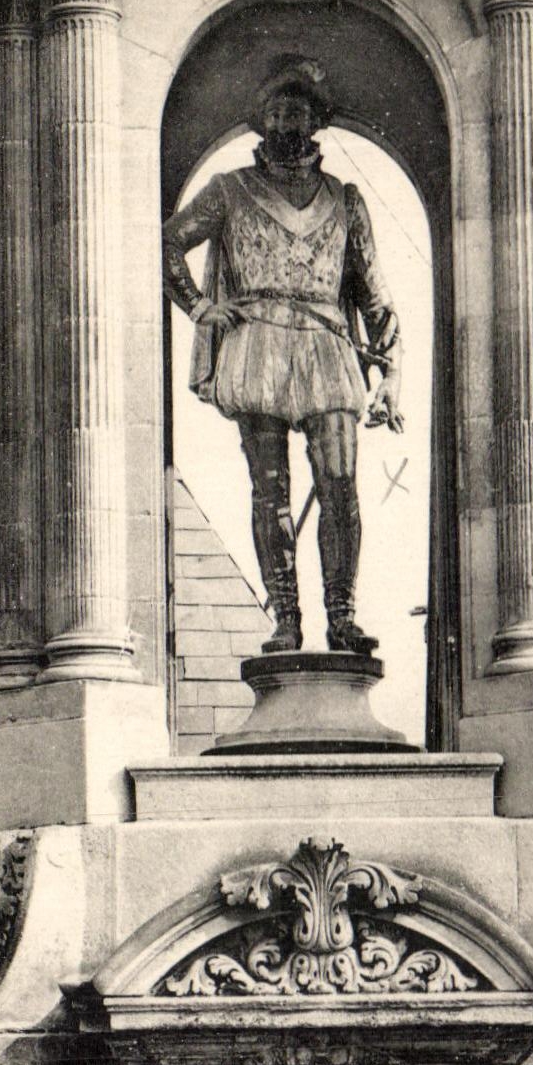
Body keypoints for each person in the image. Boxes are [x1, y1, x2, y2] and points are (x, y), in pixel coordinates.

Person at [162, 56, 402, 655]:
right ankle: (287, 620)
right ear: (260, 121)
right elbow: (166, 241)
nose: (286, 117)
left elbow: (374, 294)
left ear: (316, 120)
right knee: (270, 491)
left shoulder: (346, 202)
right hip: (258, 344)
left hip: (326, 347)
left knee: (341, 488)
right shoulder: (229, 190)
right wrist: (196, 306)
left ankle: (341, 617)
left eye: (297, 107)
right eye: (275, 108)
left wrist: (391, 372)